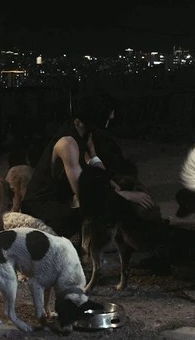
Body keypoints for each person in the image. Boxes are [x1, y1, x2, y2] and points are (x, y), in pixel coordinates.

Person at [21, 94, 154, 241]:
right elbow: (85, 196)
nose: (112, 116)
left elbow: (93, 162)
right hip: (42, 205)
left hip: (62, 198)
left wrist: (111, 184)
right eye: (109, 113)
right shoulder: (68, 144)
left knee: (112, 200)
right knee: (97, 212)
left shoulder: (83, 131)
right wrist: (127, 195)